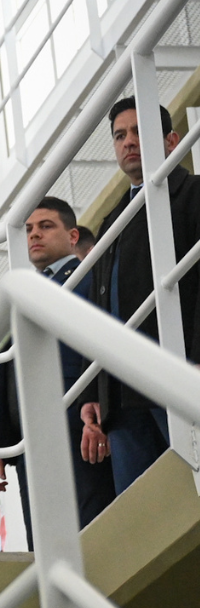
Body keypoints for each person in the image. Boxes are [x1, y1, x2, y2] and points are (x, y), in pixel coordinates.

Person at [80, 97, 200, 494]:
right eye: (119, 135)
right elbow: (101, 310)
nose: (128, 141)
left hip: (178, 377)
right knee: (146, 524)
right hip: (121, 397)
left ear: (171, 140)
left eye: (138, 131)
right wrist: (96, 391)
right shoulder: (111, 221)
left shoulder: (194, 194)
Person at [0, 198, 115, 541]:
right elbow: (6, 370)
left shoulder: (91, 278)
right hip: (29, 432)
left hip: (77, 423)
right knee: (42, 537)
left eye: (45, 226)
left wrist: (102, 413)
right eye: (27, 230)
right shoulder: (23, 290)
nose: (34, 236)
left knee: (90, 529)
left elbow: (103, 348)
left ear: (73, 236)